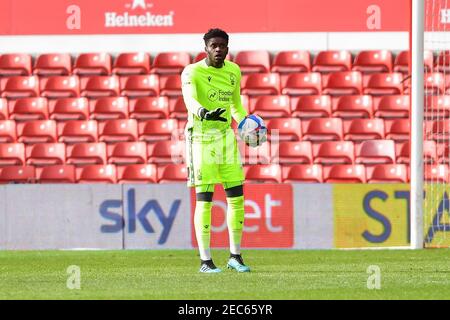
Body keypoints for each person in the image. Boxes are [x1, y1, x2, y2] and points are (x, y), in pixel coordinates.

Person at [181, 28, 250, 273]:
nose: (218, 49)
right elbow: (189, 99)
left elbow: (236, 106)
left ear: (228, 49)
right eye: (214, 45)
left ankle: (235, 256)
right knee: (205, 199)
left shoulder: (234, 71)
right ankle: (206, 261)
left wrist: (247, 126)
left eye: (222, 45)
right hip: (200, 139)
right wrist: (202, 112)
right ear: (206, 48)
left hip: (226, 139)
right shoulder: (192, 71)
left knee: (237, 197)